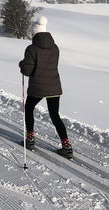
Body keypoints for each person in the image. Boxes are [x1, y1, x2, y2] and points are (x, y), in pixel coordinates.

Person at [19, 16, 73, 159]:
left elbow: (27, 70)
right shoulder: (55, 47)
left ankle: (30, 139)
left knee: (29, 108)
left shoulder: (31, 49)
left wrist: (22, 65)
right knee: (55, 115)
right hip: (54, 86)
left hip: (38, 87)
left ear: (34, 33)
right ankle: (66, 146)